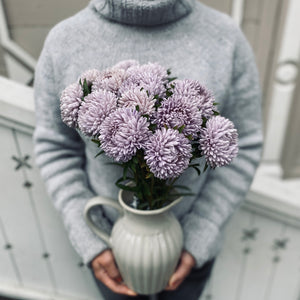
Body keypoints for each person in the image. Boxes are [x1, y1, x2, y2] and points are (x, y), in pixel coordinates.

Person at [33, 0, 263, 299]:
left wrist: (202, 231)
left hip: (193, 252)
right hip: (111, 250)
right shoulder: (64, 41)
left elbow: (242, 143)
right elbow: (55, 147)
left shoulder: (226, 36)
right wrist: (91, 236)